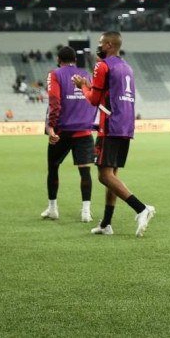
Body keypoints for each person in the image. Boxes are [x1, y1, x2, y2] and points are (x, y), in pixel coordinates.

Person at [73, 32, 155, 237]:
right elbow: (107, 94)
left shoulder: (102, 65)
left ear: (109, 45)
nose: (98, 47)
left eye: (101, 43)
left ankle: (141, 208)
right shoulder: (127, 67)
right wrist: (90, 86)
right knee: (112, 174)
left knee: (104, 175)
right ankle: (106, 223)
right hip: (126, 124)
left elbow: (93, 100)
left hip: (110, 124)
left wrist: (83, 86)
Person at [42, 46, 98, 222]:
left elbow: (55, 101)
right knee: (85, 171)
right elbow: (94, 99)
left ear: (59, 59)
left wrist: (51, 127)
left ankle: (53, 208)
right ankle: (86, 212)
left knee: (53, 167)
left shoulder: (55, 74)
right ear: (75, 59)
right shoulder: (87, 75)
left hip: (62, 130)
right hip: (84, 130)